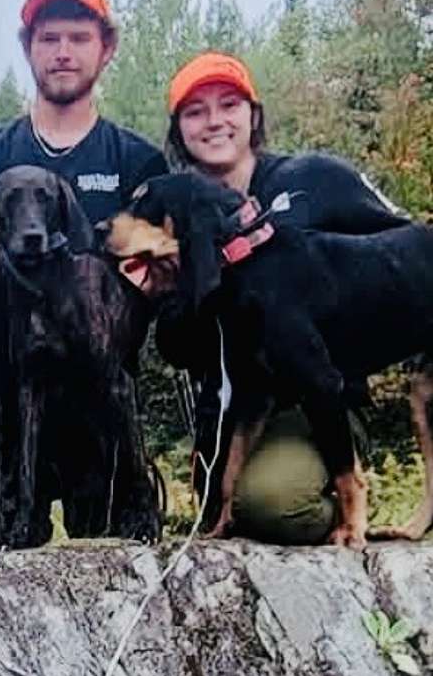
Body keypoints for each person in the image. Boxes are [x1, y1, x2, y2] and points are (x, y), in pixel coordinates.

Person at [143, 52, 409, 544]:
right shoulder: (177, 218)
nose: (215, 121)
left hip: (326, 398)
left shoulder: (317, 179)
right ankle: (237, 491)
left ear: (254, 115)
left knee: (277, 506)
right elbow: (178, 349)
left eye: (229, 104)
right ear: (179, 131)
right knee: (230, 510)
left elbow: (403, 258)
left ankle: (347, 495)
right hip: (240, 406)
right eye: (195, 111)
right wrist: (176, 290)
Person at [0, 0, 167, 547]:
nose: (63, 51)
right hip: (1, 404)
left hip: (103, 416)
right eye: (48, 38)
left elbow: (161, 271)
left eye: (78, 36)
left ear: (105, 49)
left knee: (118, 577)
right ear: (28, 49)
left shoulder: (137, 162)